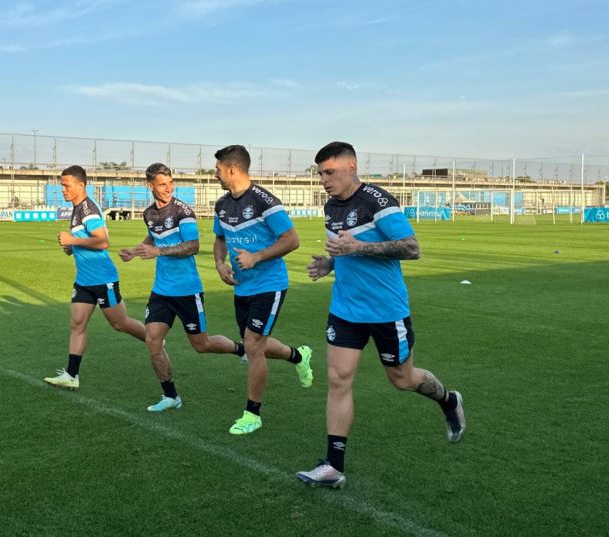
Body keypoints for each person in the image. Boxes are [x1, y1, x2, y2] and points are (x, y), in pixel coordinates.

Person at [296, 142, 465, 489]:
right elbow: (345, 252)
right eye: (320, 174)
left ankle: (449, 399)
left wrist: (358, 248)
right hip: (345, 308)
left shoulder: (378, 201)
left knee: (402, 380)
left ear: (351, 166)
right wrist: (331, 263)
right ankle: (334, 466)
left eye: (329, 172)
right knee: (338, 379)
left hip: (386, 311)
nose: (324, 180)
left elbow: (411, 248)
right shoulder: (330, 206)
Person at [119, 163, 248, 412]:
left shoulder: (183, 212)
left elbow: (193, 246)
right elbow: (153, 236)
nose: (168, 189)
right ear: (150, 186)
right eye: (162, 184)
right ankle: (171, 396)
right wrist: (135, 251)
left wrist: (158, 251)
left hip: (188, 290)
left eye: (170, 183)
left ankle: (239, 349)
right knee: (153, 341)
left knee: (202, 345)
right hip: (161, 292)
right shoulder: (149, 214)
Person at [212, 145, 313, 435]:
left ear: (232, 169)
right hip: (242, 286)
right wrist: (220, 264)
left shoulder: (264, 201)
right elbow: (220, 240)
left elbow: (292, 239)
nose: (215, 174)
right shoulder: (222, 205)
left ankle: (252, 413)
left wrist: (256, 257)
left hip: (269, 285)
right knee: (253, 341)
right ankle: (298, 356)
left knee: (253, 345)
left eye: (217, 169)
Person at [44, 165, 146, 389]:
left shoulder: (87, 208)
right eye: (61, 185)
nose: (62, 189)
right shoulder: (77, 207)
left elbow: (102, 241)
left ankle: (155, 339)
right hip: (84, 281)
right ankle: (71, 375)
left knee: (119, 323)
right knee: (77, 323)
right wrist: (74, 247)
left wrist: (72, 241)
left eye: (66, 185)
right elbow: (89, 239)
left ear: (80, 185)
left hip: (102, 278)